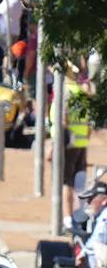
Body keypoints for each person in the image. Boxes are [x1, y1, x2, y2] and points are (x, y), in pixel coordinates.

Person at [47, 67, 89, 228]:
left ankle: (67, 219)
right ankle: (80, 217)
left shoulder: (65, 92)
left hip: (67, 143)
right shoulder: (81, 92)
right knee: (79, 183)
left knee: (66, 182)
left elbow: (62, 120)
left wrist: (54, 145)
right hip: (81, 142)